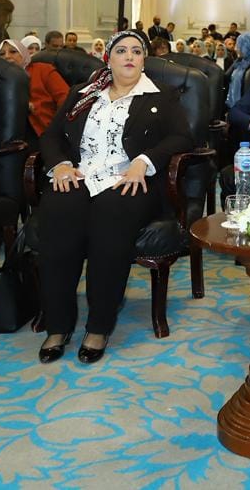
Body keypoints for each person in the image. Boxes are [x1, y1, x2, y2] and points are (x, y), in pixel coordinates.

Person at [35, 31, 193, 365]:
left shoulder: (161, 95)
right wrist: (60, 164)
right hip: (82, 176)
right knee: (58, 209)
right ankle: (58, 325)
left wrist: (144, 161)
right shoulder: (83, 94)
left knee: (111, 214)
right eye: (121, 51)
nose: (129, 56)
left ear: (144, 59)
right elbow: (51, 136)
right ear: (108, 58)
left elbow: (182, 137)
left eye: (137, 51)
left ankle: (99, 325)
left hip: (129, 180)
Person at [0, 38, 70, 138]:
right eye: (2, 54)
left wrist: (57, 126)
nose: (7, 56)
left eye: (13, 52)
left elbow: (66, 98)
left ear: (23, 53)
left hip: (43, 128)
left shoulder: (43, 70)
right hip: (8, 131)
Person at [225, 31, 250, 110]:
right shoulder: (240, 61)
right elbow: (226, 77)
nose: (236, 49)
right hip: (234, 106)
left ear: (247, 46)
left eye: (239, 45)